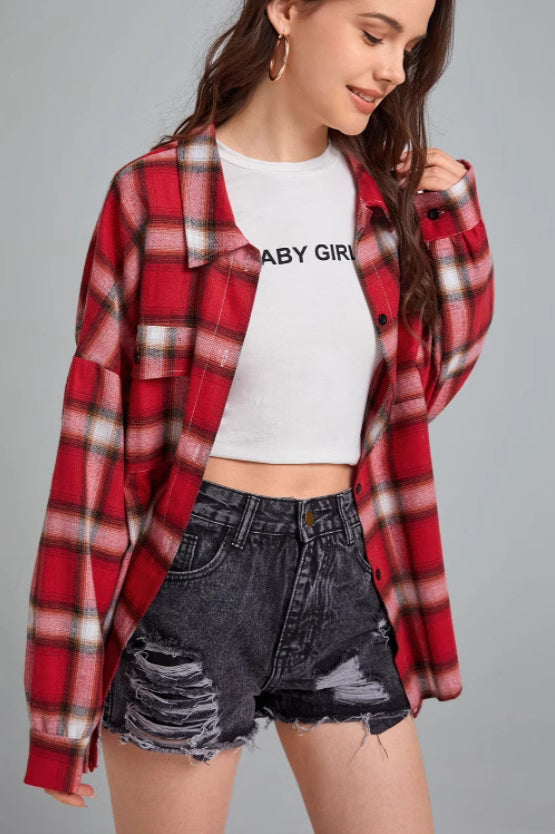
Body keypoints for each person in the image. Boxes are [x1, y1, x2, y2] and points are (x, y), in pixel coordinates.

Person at [22, 1, 495, 832]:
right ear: (284, 10)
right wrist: (59, 710)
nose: (393, 71)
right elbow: (93, 447)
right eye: (373, 33)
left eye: (409, 48)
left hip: (345, 565)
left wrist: (451, 220)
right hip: (193, 574)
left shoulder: (380, 198)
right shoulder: (156, 195)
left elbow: (421, 390)